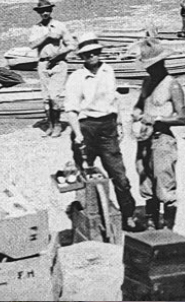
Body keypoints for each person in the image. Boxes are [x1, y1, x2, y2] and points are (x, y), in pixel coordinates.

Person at [64, 33, 140, 231]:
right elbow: (71, 109)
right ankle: (86, 214)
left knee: (119, 175)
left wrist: (120, 123)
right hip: (86, 128)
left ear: (99, 52)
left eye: (94, 52)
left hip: (108, 127)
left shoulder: (109, 71)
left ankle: (128, 215)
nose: (91, 56)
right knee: (84, 174)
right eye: (87, 54)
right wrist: (78, 134)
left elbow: (114, 100)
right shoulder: (76, 78)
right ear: (82, 57)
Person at [132, 38, 185, 230]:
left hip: (162, 140)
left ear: (161, 63)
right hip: (144, 140)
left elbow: (182, 118)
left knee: (165, 187)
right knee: (146, 185)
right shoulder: (147, 82)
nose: (148, 70)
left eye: (152, 66)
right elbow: (139, 106)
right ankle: (151, 224)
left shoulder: (172, 85)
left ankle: (168, 230)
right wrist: (137, 114)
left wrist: (156, 120)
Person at [28, 0, 76, 137]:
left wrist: (60, 55)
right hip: (43, 64)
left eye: (47, 10)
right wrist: (47, 37)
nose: (45, 13)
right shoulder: (36, 28)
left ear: (51, 10)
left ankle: (58, 125)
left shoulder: (60, 26)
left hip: (58, 64)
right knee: (46, 98)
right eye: (42, 10)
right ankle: (50, 125)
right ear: (38, 12)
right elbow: (32, 45)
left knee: (54, 96)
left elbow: (72, 45)